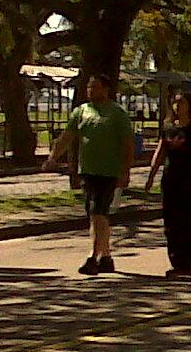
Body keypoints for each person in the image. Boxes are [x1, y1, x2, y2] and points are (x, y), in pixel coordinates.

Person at [44, 73, 134, 275]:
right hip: (88, 171)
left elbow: (128, 145)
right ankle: (107, 256)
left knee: (98, 213)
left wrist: (125, 171)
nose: (91, 91)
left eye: (96, 87)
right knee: (96, 215)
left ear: (106, 89)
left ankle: (93, 256)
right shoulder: (81, 111)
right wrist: (53, 157)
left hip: (109, 171)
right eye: (89, 87)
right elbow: (67, 137)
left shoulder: (117, 113)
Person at [145, 90, 191, 277]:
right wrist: (151, 176)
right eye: (174, 103)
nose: (177, 106)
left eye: (181, 102)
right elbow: (160, 152)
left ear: (189, 105)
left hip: (189, 180)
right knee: (170, 223)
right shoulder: (168, 126)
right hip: (170, 180)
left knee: (186, 221)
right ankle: (176, 261)